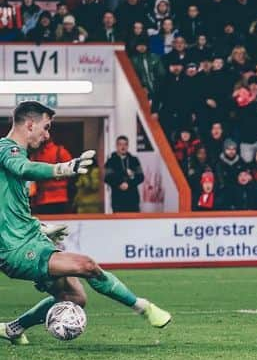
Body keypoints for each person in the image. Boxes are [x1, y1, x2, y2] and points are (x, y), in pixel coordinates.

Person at [0, 101, 170, 345]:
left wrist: (39, 227)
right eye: (46, 128)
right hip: (15, 249)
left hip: (29, 238)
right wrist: (63, 168)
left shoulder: (11, 155)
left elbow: (10, 206)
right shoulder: (7, 150)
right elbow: (24, 168)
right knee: (87, 265)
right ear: (29, 124)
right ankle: (142, 307)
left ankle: (13, 329)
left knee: (74, 297)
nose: (47, 135)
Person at [103, 136, 144, 212]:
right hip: (118, 201)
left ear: (128, 146)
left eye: (125, 144)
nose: (123, 147)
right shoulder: (111, 161)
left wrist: (129, 184)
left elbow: (141, 177)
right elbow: (107, 178)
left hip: (133, 200)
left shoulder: (134, 160)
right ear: (116, 146)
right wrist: (119, 183)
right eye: (120, 144)